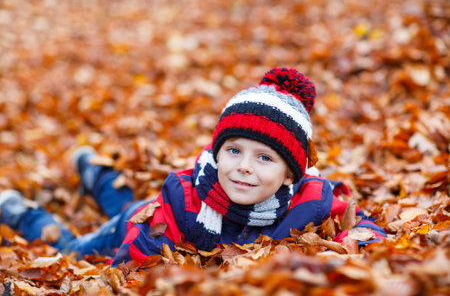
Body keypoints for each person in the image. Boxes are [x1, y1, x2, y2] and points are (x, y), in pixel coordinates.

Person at [0, 68, 386, 267]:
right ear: (218, 152)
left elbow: (361, 223)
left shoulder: (310, 202)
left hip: (151, 214)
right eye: (234, 151)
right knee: (74, 249)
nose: (244, 168)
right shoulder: (184, 195)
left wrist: (355, 243)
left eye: (265, 158)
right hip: (137, 225)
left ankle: (94, 172)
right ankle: (23, 212)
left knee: (122, 204)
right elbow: (137, 258)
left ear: (290, 174)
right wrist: (152, 253)